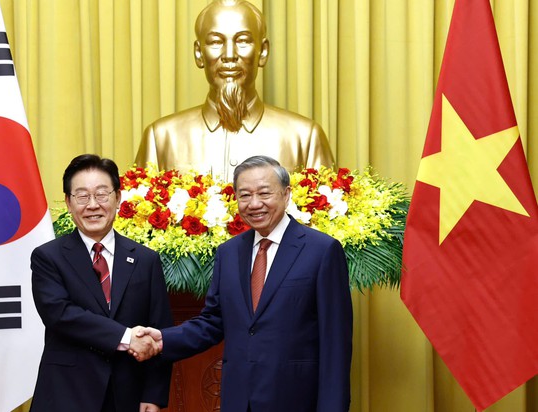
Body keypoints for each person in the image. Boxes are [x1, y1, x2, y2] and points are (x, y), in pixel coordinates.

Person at [135, 155, 353, 412]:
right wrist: (163, 340)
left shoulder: (321, 250)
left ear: (286, 194)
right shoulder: (229, 252)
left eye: (264, 193)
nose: (255, 203)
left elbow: (335, 344)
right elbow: (213, 321)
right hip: (239, 400)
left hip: (296, 399)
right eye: (245, 195)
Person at [29, 154, 173, 412]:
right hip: (66, 394)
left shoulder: (146, 260)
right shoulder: (48, 257)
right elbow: (60, 314)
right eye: (82, 196)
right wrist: (127, 337)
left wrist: (154, 395)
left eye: (102, 194)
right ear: (69, 203)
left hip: (128, 396)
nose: (93, 205)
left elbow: (160, 330)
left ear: (118, 198)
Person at [135, 0, 335, 182]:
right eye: (216, 42)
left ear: (263, 52)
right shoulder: (161, 138)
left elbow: (327, 209)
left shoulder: (305, 138)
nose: (229, 55)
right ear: (199, 53)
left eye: (243, 40)